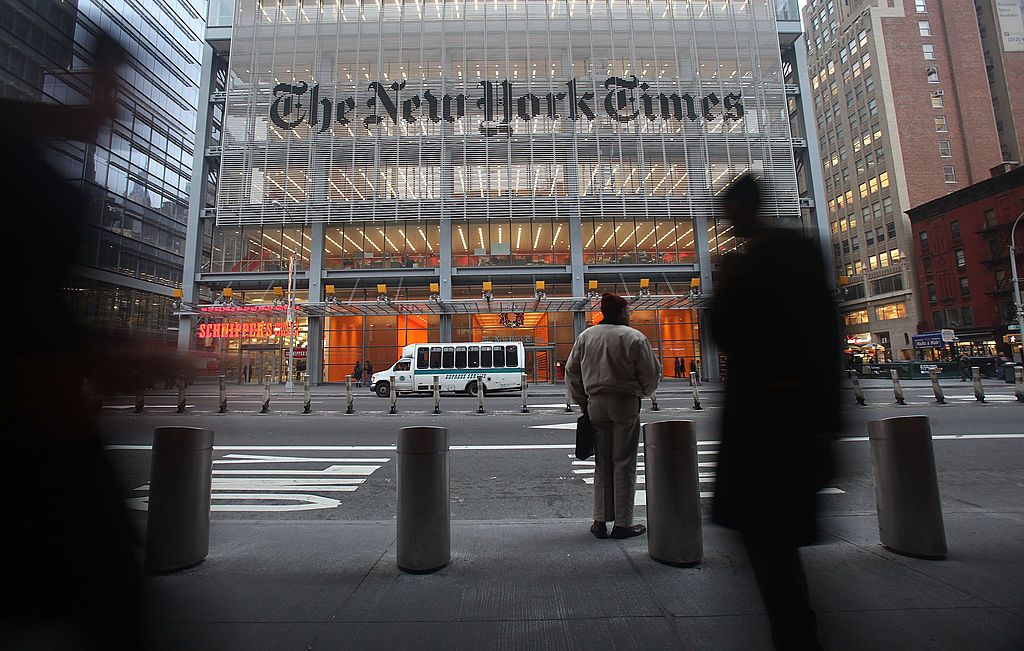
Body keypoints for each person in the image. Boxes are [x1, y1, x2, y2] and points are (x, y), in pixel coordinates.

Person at [711, 174, 840, 650]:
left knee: (767, 541)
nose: (725, 221)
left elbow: (730, 335)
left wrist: (723, 290)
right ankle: (795, 629)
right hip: (794, 420)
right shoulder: (800, 251)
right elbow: (828, 338)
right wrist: (827, 426)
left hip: (763, 426)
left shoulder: (750, 264)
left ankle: (795, 634)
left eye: (728, 210)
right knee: (776, 541)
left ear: (743, 208)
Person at [565, 293, 662, 540]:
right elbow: (651, 375)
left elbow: (572, 371)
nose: (629, 314)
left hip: (595, 404)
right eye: (627, 311)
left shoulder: (586, 336)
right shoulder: (634, 337)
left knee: (602, 463)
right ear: (621, 312)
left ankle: (599, 520)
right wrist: (641, 392)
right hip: (624, 402)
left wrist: (583, 402)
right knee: (624, 462)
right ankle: (623, 523)